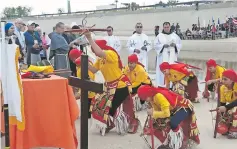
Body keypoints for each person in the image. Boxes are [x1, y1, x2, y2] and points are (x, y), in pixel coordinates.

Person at [83, 31, 139, 136]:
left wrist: (89, 38)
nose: (94, 53)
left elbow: (99, 52)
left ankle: (127, 122)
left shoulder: (110, 54)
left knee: (112, 107)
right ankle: (110, 123)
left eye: (94, 50)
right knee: (101, 105)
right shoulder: (100, 60)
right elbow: (94, 69)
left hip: (121, 85)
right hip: (110, 86)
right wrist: (84, 62)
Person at [1, 23, 25, 131]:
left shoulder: (15, 38)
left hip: (12, 69)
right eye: (11, 28)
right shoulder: (2, 40)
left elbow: (19, 51)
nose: (12, 30)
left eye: (13, 28)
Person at [68, 49, 95, 119]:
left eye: (72, 59)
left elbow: (89, 83)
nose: (73, 62)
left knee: (86, 117)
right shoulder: (79, 65)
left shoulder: (86, 66)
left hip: (89, 95)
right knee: (84, 115)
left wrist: (79, 94)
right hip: (84, 93)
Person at [154, 22, 182, 87]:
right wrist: (163, 46)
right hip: (162, 57)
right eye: (165, 27)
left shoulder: (175, 36)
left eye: (168, 27)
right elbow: (155, 45)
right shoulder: (159, 36)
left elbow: (180, 44)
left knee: (172, 70)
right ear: (163, 27)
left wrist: (175, 45)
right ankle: (161, 85)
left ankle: (172, 85)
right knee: (162, 72)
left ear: (170, 27)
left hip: (172, 57)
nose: (166, 28)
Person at [216, 69, 237, 139]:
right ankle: (228, 126)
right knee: (226, 113)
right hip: (233, 105)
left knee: (234, 110)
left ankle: (234, 131)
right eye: (222, 79)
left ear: (232, 80)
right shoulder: (222, 88)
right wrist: (222, 116)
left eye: (225, 79)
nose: (223, 81)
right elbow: (222, 103)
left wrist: (226, 107)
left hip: (235, 106)